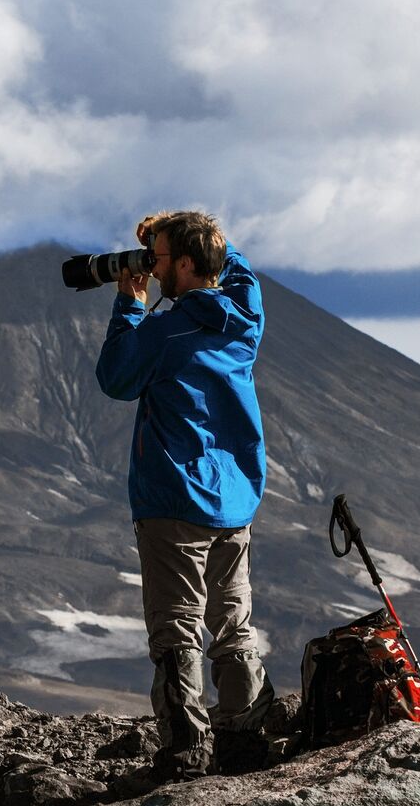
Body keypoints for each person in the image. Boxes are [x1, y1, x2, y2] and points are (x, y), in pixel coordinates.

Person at [95, 210, 275, 780]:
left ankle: (188, 754)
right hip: (235, 501)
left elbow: (116, 378)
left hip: (175, 499)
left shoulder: (166, 332)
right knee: (233, 623)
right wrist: (197, 236)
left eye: (163, 257)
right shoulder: (245, 318)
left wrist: (129, 302)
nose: (154, 266)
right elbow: (238, 271)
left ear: (189, 264)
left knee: (177, 630)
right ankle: (245, 742)